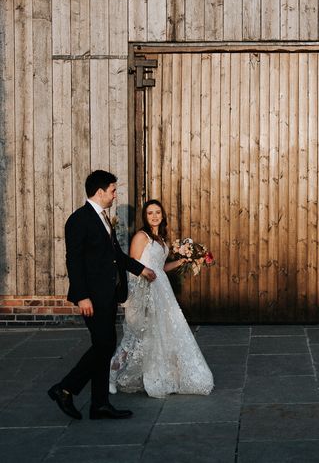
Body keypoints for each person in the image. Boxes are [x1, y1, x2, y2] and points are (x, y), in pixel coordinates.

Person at [48, 170, 157, 420]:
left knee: (104, 347)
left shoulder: (104, 219)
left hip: (108, 294)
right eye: (113, 190)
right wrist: (82, 296)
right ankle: (65, 388)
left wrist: (141, 269)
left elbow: (115, 255)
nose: (115, 194)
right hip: (92, 297)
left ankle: (99, 404)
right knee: (104, 345)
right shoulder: (79, 220)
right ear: (100, 192)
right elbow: (73, 261)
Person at [109, 199, 214, 398]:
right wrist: (139, 298)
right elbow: (133, 267)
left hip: (162, 291)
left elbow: (160, 268)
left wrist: (181, 261)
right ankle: (111, 375)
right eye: (150, 213)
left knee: (160, 335)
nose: (154, 216)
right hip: (144, 292)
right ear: (145, 217)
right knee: (134, 337)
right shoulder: (141, 237)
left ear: (163, 215)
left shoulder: (162, 239)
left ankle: (161, 375)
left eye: (158, 212)